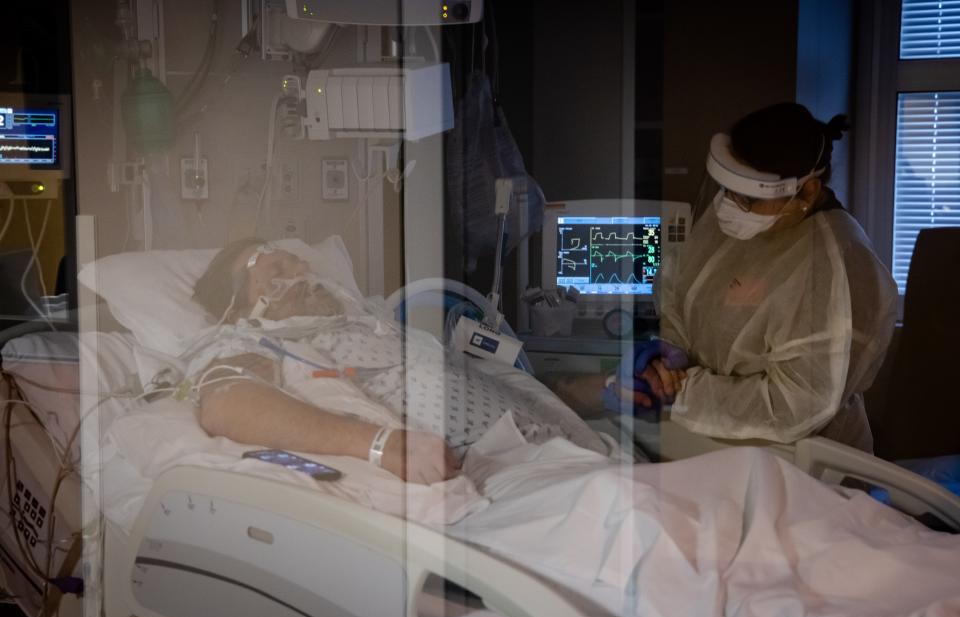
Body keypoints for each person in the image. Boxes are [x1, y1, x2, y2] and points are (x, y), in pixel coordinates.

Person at [553, 103, 898, 452]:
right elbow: (685, 293)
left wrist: (683, 389)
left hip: (796, 462)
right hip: (709, 441)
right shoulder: (735, 224)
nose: (728, 205)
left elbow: (796, 405)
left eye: (747, 199)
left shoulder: (836, 265)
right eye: (726, 190)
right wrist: (668, 356)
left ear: (807, 191)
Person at [188, 238, 608, 485]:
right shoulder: (254, 339)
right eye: (280, 267)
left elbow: (505, 390)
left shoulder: (372, 322)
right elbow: (227, 401)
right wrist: (377, 444)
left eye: (295, 258)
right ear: (247, 306)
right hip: (500, 482)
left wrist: (607, 391)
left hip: (571, 455)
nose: (302, 268)